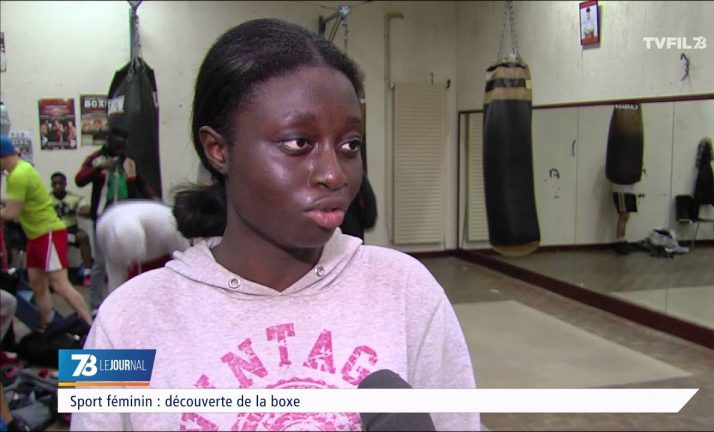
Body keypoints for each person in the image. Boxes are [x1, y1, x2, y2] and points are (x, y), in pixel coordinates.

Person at [71, 18, 479, 431]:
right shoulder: (122, 320)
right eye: (299, 143)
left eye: (350, 145)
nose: (334, 174)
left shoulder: (408, 289)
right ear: (218, 149)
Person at [0, 135, 92, 327]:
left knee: (59, 284)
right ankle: (47, 327)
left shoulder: (18, 175)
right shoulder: (19, 170)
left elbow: (11, 214)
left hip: (48, 233)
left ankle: (91, 326)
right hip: (34, 235)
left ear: (3, 156)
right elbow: (15, 201)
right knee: (37, 284)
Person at [74, 124, 155, 310]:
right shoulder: (96, 159)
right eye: (117, 147)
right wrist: (100, 168)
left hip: (125, 219)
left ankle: (124, 302)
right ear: (108, 142)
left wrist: (154, 199)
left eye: (123, 147)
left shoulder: (129, 162)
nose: (120, 151)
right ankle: (95, 306)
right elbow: (79, 180)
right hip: (103, 218)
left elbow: (140, 184)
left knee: (127, 260)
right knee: (100, 263)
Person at [50, 171, 93, 285]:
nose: (58, 186)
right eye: (55, 184)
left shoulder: (74, 198)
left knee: (83, 237)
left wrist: (77, 210)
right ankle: (55, 276)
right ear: (51, 185)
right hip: (54, 231)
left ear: (65, 184)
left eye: (60, 183)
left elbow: (88, 211)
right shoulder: (46, 200)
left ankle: (87, 273)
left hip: (70, 230)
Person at [612, 182, 637, 254]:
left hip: (629, 191)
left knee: (626, 216)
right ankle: (620, 242)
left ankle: (622, 240)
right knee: (624, 216)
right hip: (622, 190)